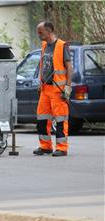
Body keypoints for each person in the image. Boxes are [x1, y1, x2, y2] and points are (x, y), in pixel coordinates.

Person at [34, 21, 73, 157]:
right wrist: (40, 83)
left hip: (58, 90)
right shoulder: (44, 45)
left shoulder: (62, 45)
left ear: (49, 31)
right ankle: (45, 146)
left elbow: (69, 68)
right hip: (45, 89)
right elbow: (43, 65)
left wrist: (67, 88)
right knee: (42, 118)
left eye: (40, 32)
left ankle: (62, 148)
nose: (39, 35)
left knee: (61, 119)